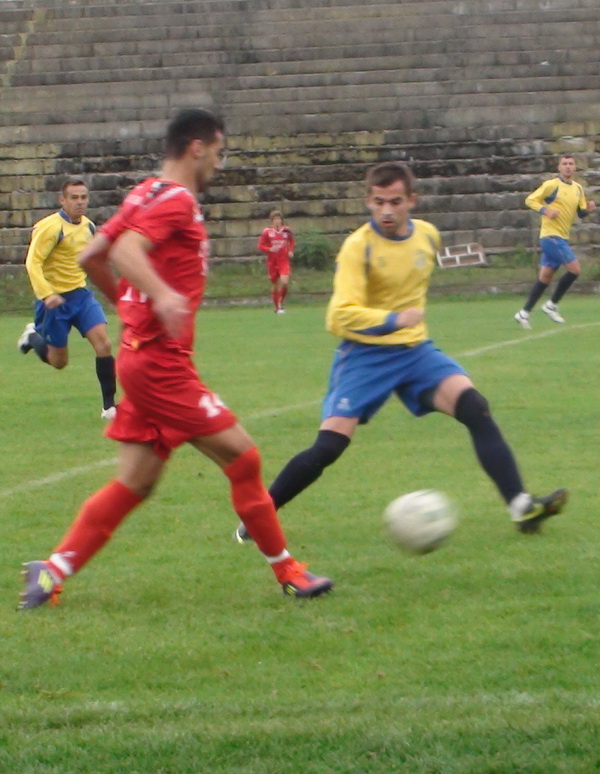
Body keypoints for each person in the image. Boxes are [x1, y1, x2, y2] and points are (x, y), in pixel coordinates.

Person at [19, 108, 332, 610]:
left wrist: (132, 306)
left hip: (140, 359)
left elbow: (92, 255)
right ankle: (291, 573)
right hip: (161, 367)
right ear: (198, 148)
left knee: (137, 480)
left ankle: (52, 572)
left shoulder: (144, 192)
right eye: (220, 153)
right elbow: (122, 254)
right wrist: (160, 297)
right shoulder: (179, 201)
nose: (220, 165)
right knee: (244, 458)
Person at [233, 161, 567, 545]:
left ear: (412, 200)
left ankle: (521, 507)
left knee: (475, 407)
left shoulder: (427, 236)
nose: (387, 211)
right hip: (365, 354)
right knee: (329, 446)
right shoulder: (358, 247)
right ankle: (259, 515)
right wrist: (394, 319)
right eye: (378, 202)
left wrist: (405, 325)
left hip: (414, 352)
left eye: (395, 201)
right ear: (368, 202)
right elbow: (338, 316)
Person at [17, 178, 117, 420]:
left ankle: (109, 407)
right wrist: (47, 294)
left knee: (104, 345)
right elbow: (33, 262)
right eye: (74, 197)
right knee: (58, 361)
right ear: (63, 200)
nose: (80, 202)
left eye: (83, 197)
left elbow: (93, 261)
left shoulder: (89, 227)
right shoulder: (50, 227)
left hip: (81, 297)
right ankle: (32, 336)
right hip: (54, 302)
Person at [515, 154, 596, 329]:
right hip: (551, 236)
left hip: (562, 236)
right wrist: (546, 211)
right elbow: (530, 200)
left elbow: (580, 213)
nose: (568, 166)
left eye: (571, 164)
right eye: (564, 163)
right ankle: (551, 305)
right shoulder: (552, 185)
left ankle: (524, 312)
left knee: (545, 277)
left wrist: (588, 209)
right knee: (574, 270)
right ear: (559, 167)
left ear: (575, 168)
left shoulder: (578, 188)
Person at [257, 210, 294, 313]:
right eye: (275, 219)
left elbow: (291, 242)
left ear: (282, 220)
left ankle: (281, 302)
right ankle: (277, 307)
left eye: (279, 219)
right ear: (272, 221)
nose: (277, 221)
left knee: (285, 282)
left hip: (283, 261)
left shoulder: (287, 231)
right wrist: (270, 249)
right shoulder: (267, 232)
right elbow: (260, 246)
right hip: (272, 262)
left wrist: (290, 250)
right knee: (275, 285)